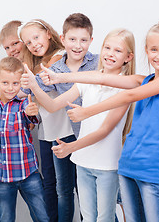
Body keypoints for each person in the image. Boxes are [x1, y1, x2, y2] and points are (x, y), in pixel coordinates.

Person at [41, 21, 159, 222]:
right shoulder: (143, 79)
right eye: (154, 49)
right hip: (127, 165)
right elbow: (100, 78)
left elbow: (128, 96)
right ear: (146, 51)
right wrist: (59, 77)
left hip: (152, 170)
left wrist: (87, 112)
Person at [22, 28, 136, 221]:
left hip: (107, 165)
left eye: (118, 50)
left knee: (104, 218)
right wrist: (34, 85)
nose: (110, 53)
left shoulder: (126, 85)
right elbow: (52, 105)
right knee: (89, 217)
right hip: (82, 163)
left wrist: (71, 147)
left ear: (128, 57)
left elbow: (105, 130)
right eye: (107, 47)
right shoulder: (88, 80)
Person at [21, 13, 99, 222]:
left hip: (96, 136)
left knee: (92, 191)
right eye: (72, 40)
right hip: (67, 135)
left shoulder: (98, 62)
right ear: (63, 40)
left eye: (83, 40)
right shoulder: (53, 69)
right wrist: (30, 88)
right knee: (65, 188)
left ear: (91, 41)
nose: (78, 45)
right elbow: (27, 90)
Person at [0, 56, 49, 222]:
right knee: (6, 217)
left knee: (42, 215)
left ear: (21, 83)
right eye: (5, 83)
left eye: (15, 84)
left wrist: (33, 112)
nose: (10, 88)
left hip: (27, 172)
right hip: (2, 176)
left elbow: (33, 117)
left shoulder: (24, 104)